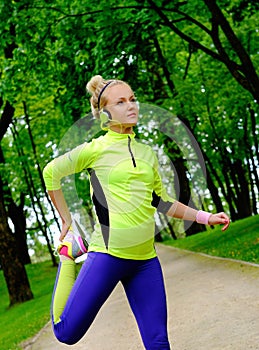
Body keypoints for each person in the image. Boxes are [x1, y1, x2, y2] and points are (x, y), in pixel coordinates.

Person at [43, 75, 230, 349]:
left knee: (158, 341)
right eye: (121, 102)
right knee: (66, 333)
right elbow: (51, 173)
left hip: (145, 260)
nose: (131, 106)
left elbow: (163, 201)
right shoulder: (95, 150)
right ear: (105, 114)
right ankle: (68, 255)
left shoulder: (147, 153)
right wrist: (66, 219)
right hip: (107, 255)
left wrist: (206, 217)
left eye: (132, 99)